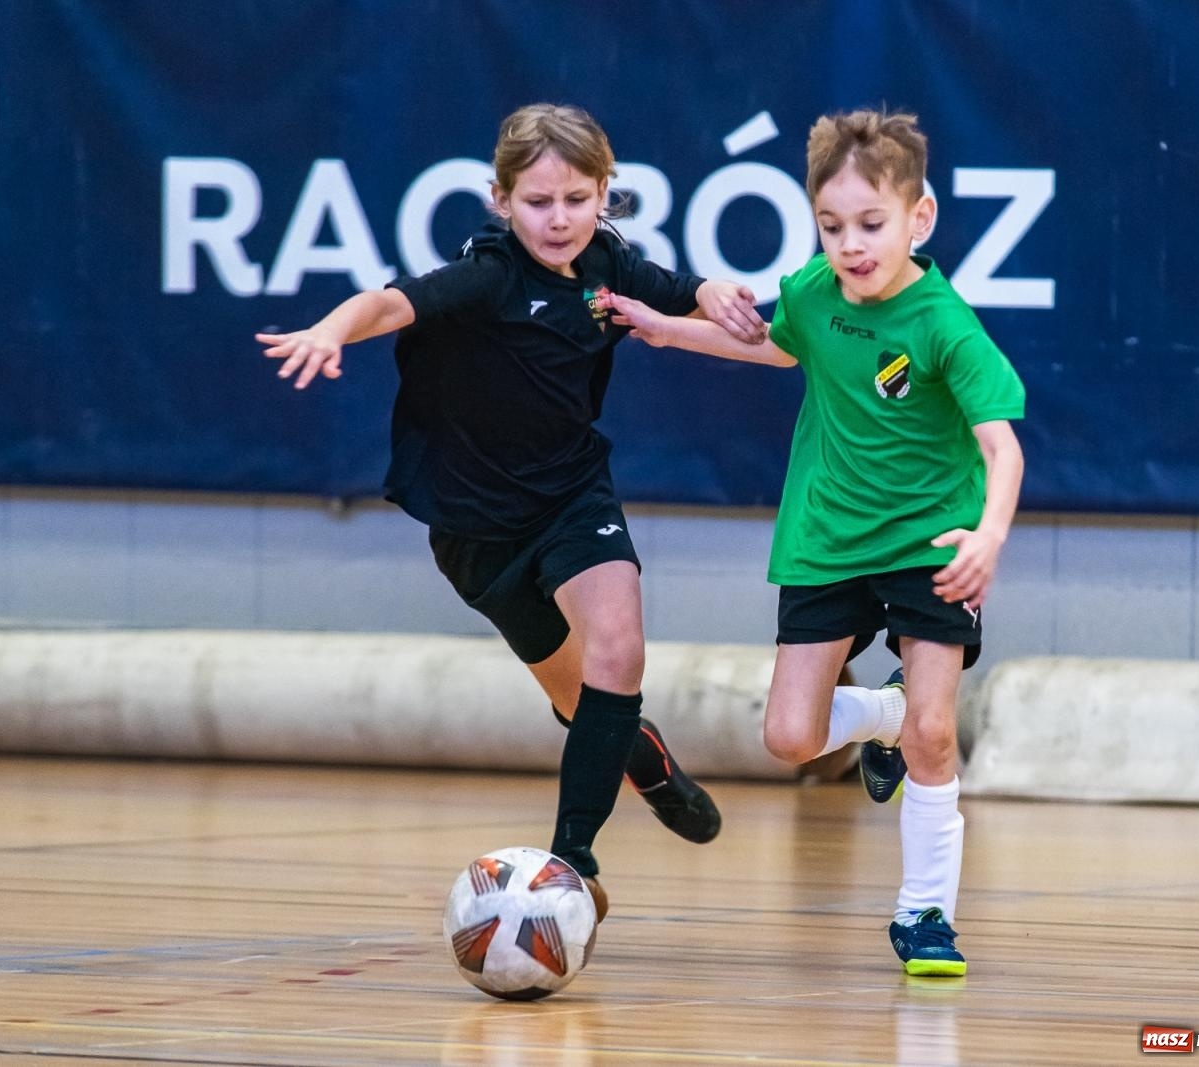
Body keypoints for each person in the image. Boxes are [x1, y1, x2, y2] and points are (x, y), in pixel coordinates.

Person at [258, 103, 768, 920]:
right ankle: (643, 757)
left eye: (576, 199)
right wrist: (328, 329)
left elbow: (681, 291)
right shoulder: (489, 275)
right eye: (537, 202)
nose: (559, 219)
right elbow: (390, 304)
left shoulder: (610, 262)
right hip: (476, 530)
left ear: (604, 192)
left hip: (572, 494)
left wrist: (714, 290)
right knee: (578, 702)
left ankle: (571, 862)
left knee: (620, 646)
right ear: (500, 200)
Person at [597, 108, 1026, 974]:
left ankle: (924, 914)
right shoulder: (813, 294)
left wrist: (986, 536)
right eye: (832, 226)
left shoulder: (945, 325)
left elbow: (1001, 447)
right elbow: (774, 348)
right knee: (791, 738)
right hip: (827, 540)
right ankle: (887, 716)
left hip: (932, 544)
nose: (852, 244)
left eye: (871, 224)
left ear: (920, 217)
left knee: (936, 734)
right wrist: (663, 323)